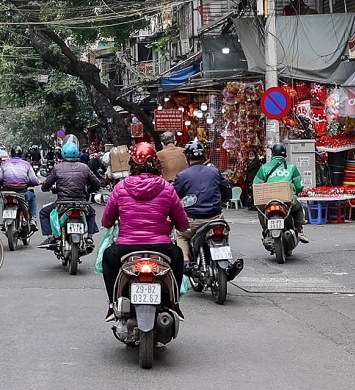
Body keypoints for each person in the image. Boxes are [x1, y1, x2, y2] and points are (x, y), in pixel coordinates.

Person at [101, 142, 189, 321]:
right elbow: (182, 223)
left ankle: (112, 304)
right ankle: (175, 303)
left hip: (126, 249)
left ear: (132, 164)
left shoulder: (120, 188)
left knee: (107, 258)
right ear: (156, 164)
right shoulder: (167, 188)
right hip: (161, 249)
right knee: (179, 255)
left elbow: (106, 221)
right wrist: (178, 226)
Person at [38, 135, 101, 250]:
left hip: (62, 204)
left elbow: (45, 185)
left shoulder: (57, 168)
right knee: (91, 213)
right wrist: (88, 191)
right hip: (82, 203)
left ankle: (50, 237)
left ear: (63, 153)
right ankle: (90, 237)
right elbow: (97, 184)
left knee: (43, 213)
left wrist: (47, 188)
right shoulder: (85, 167)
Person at [173, 140, 230, 262]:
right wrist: (224, 200)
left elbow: (175, 198)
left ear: (187, 158)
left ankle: (185, 259)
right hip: (216, 218)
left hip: (193, 222)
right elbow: (227, 191)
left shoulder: (182, 176)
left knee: (180, 234)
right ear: (203, 156)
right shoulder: (215, 172)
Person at [254, 143, 308, 243]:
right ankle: (300, 230)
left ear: (273, 154)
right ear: (285, 154)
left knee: (260, 209)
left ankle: (265, 229)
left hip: (267, 201)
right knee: (298, 207)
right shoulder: (291, 167)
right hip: (287, 200)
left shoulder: (264, 168)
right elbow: (299, 186)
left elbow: (256, 185)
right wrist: (298, 191)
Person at [0, 146, 40, 226]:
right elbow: (34, 180)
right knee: (32, 196)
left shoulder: (4, 164)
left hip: (7, 191)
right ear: (21, 154)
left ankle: (4, 220)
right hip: (22, 192)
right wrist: (36, 182)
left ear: (11, 154)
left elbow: (0, 179)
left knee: (5, 200)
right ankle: (32, 219)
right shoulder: (27, 164)